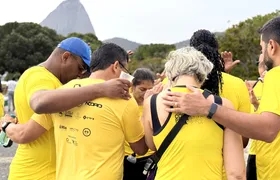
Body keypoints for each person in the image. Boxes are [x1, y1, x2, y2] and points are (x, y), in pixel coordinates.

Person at [3, 43, 148, 180]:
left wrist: (6, 124)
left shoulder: (60, 94)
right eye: (125, 71)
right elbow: (140, 148)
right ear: (116, 66)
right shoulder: (123, 99)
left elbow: (25, 133)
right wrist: (148, 106)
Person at [162, 16, 280, 180]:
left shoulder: (166, 87)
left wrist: (208, 108)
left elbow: (268, 129)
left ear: (272, 46)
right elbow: (243, 142)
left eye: (262, 49)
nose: (262, 54)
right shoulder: (237, 85)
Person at [143, 47, 245, 179]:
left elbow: (152, 145)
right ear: (204, 74)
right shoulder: (223, 106)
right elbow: (236, 174)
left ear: (171, 73)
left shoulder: (152, 103)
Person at [189, 29, 251, 148]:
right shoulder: (237, 84)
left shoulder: (171, 84)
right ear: (216, 50)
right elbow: (243, 141)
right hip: (226, 164)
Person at [123, 68, 162, 180]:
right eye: (142, 89)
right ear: (132, 87)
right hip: (127, 157)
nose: (146, 94)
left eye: (150, 90)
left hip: (150, 158)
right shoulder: (125, 102)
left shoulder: (155, 103)